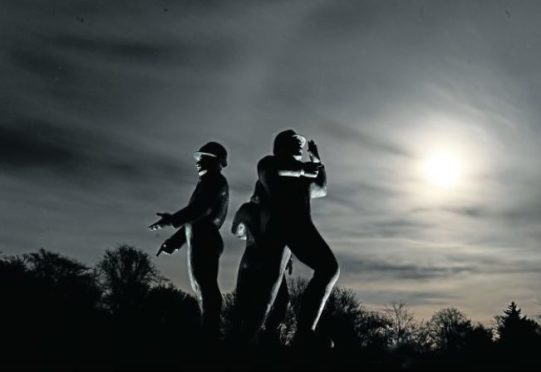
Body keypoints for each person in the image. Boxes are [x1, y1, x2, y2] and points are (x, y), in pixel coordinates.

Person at [257, 129, 339, 346]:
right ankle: (258, 333)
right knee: (271, 290)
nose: (299, 146)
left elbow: (321, 187)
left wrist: (317, 161)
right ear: (280, 146)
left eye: (300, 144)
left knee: (329, 268)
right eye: (293, 142)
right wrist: (304, 168)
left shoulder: (302, 179)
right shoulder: (269, 164)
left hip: (301, 229)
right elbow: (271, 171)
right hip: (278, 230)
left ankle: (304, 331)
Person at [149, 141, 229, 342]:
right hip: (199, 239)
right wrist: (175, 241)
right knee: (201, 286)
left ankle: (211, 332)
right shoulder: (206, 183)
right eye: (199, 158)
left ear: (218, 161)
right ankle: (208, 329)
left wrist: (172, 220)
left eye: (204, 158)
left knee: (206, 286)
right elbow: (194, 217)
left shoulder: (215, 181)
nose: (198, 162)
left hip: (206, 239)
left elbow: (201, 210)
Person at [231, 181, 292, 346]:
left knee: (243, 302)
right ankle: (260, 337)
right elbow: (288, 237)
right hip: (270, 261)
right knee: (277, 301)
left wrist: (249, 232)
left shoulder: (247, 209)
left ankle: (240, 340)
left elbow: (236, 231)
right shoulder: (280, 210)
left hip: (250, 258)